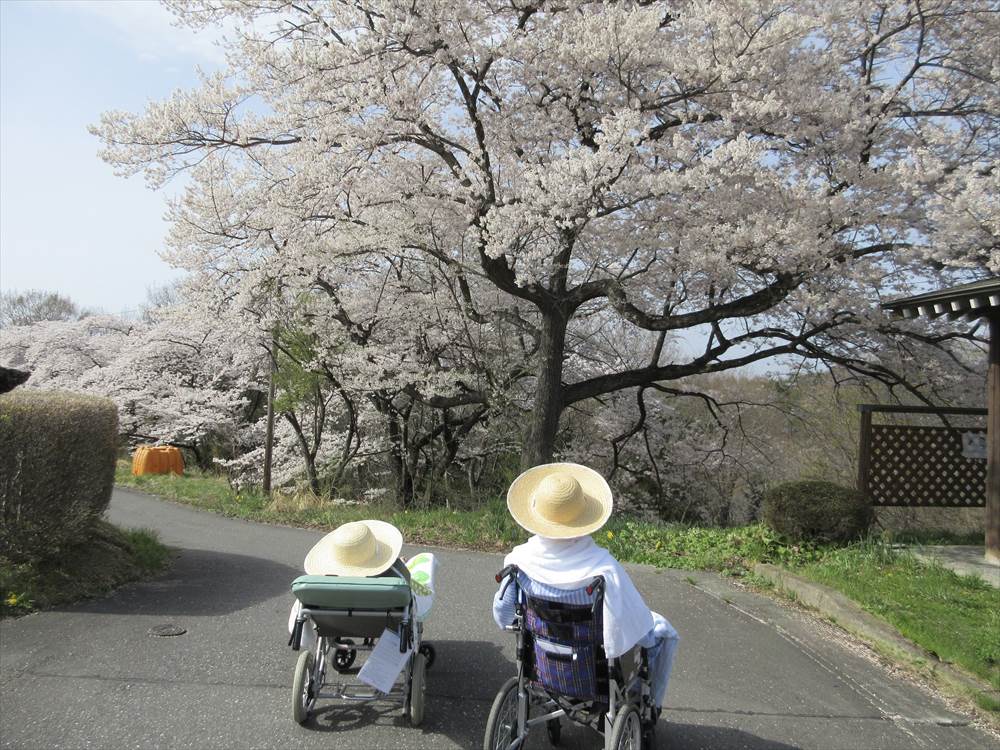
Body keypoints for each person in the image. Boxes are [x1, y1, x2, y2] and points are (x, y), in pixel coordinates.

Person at [492, 463, 679, 714]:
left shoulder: (519, 561)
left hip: (542, 662)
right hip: (592, 668)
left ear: (538, 514)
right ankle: (650, 708)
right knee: (661, 632)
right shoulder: (603, 568)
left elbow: (503, 617)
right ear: (584, 517)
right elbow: (632, 627)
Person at [288, 519, 437, 653]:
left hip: (335, 624)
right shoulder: (395, 576)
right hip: (385, 624)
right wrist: (400, 564)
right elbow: (408, 585)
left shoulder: (317, 584)